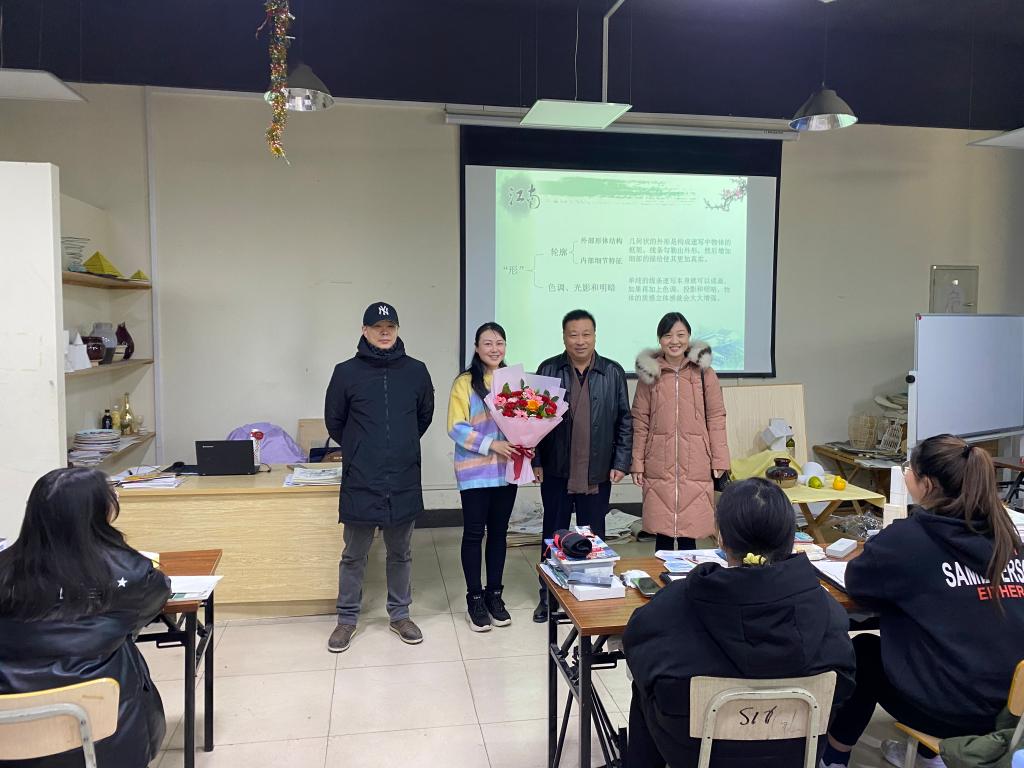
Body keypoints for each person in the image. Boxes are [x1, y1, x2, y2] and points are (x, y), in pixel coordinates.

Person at [622, 478, 856, 768]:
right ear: (790, 538)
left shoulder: (677, 602)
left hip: (692, 753)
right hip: (794, 753)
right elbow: (844, 681)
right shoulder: (823, 606)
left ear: (721, 537)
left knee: (643, 687)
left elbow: (636, 643)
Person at [822, 434, 1024, 768]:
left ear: (926, 484)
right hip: (1011, 713)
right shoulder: (1008, 537)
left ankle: (833, 757)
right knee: (954, 631)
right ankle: (929, 755)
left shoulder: (908, 540)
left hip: (950, 713)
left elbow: (858, 583)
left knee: (864, 651)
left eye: (909, 469)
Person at [0, 468, 171, 768]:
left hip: (11, 736)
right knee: (122, 645)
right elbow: (150, 605)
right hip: (106, 737)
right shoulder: (132, 573)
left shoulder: (5, 570)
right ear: (99, 511)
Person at [325, 301, 434, 653]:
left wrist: (399, 444)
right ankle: (346, 619)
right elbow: (335, 422)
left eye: (390, 327)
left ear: (397, 330)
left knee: (400, 552)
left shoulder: (416, 371)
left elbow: (423, 417)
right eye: (377, 327)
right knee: (354, 553)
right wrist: (363, 448)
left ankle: (400, 615)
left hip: (402, 475)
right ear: (364, 330)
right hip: (362, 476)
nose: (384, 332)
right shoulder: (346, 372)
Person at [532, 309, 632, 623]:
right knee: (553, 534)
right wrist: (536, 460)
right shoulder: (548, 369)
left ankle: (593, 591)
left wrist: (621, 462)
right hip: (556, 469)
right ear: (564, 337)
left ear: (595, 336)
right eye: (573, 334)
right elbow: (534, 419)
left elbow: (624, 421)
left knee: (594, 536)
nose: (580, 341)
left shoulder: (612, 371)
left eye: (586, 334)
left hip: (597, 470)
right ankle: (548, 596)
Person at [631, 312, 730, 552]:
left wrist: (720, 459)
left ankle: (689, 576)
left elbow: (716, 417)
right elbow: (640, 420)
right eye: (667, 335)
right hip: (658, 459)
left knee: (690, 530)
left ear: (689, 337)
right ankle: (663, 576)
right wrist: (637, 462)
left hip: (696, 458)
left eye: (680, 335)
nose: (674, 341)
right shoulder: (649, 374)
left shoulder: (705, 373)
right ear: (660, 339)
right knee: (662, 531)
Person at [447, 322, 519, 632]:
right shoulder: (464, 383)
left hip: (506, 472)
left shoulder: (514, 380)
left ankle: (495, 595)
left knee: (500, 534)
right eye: (487, 343)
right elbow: (455, 427)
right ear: (476, 348)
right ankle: (474, 598)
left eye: (499, 343)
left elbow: (527, 419)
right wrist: (492, 444)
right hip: (475, 472)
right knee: (474, 534)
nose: (494, 349)